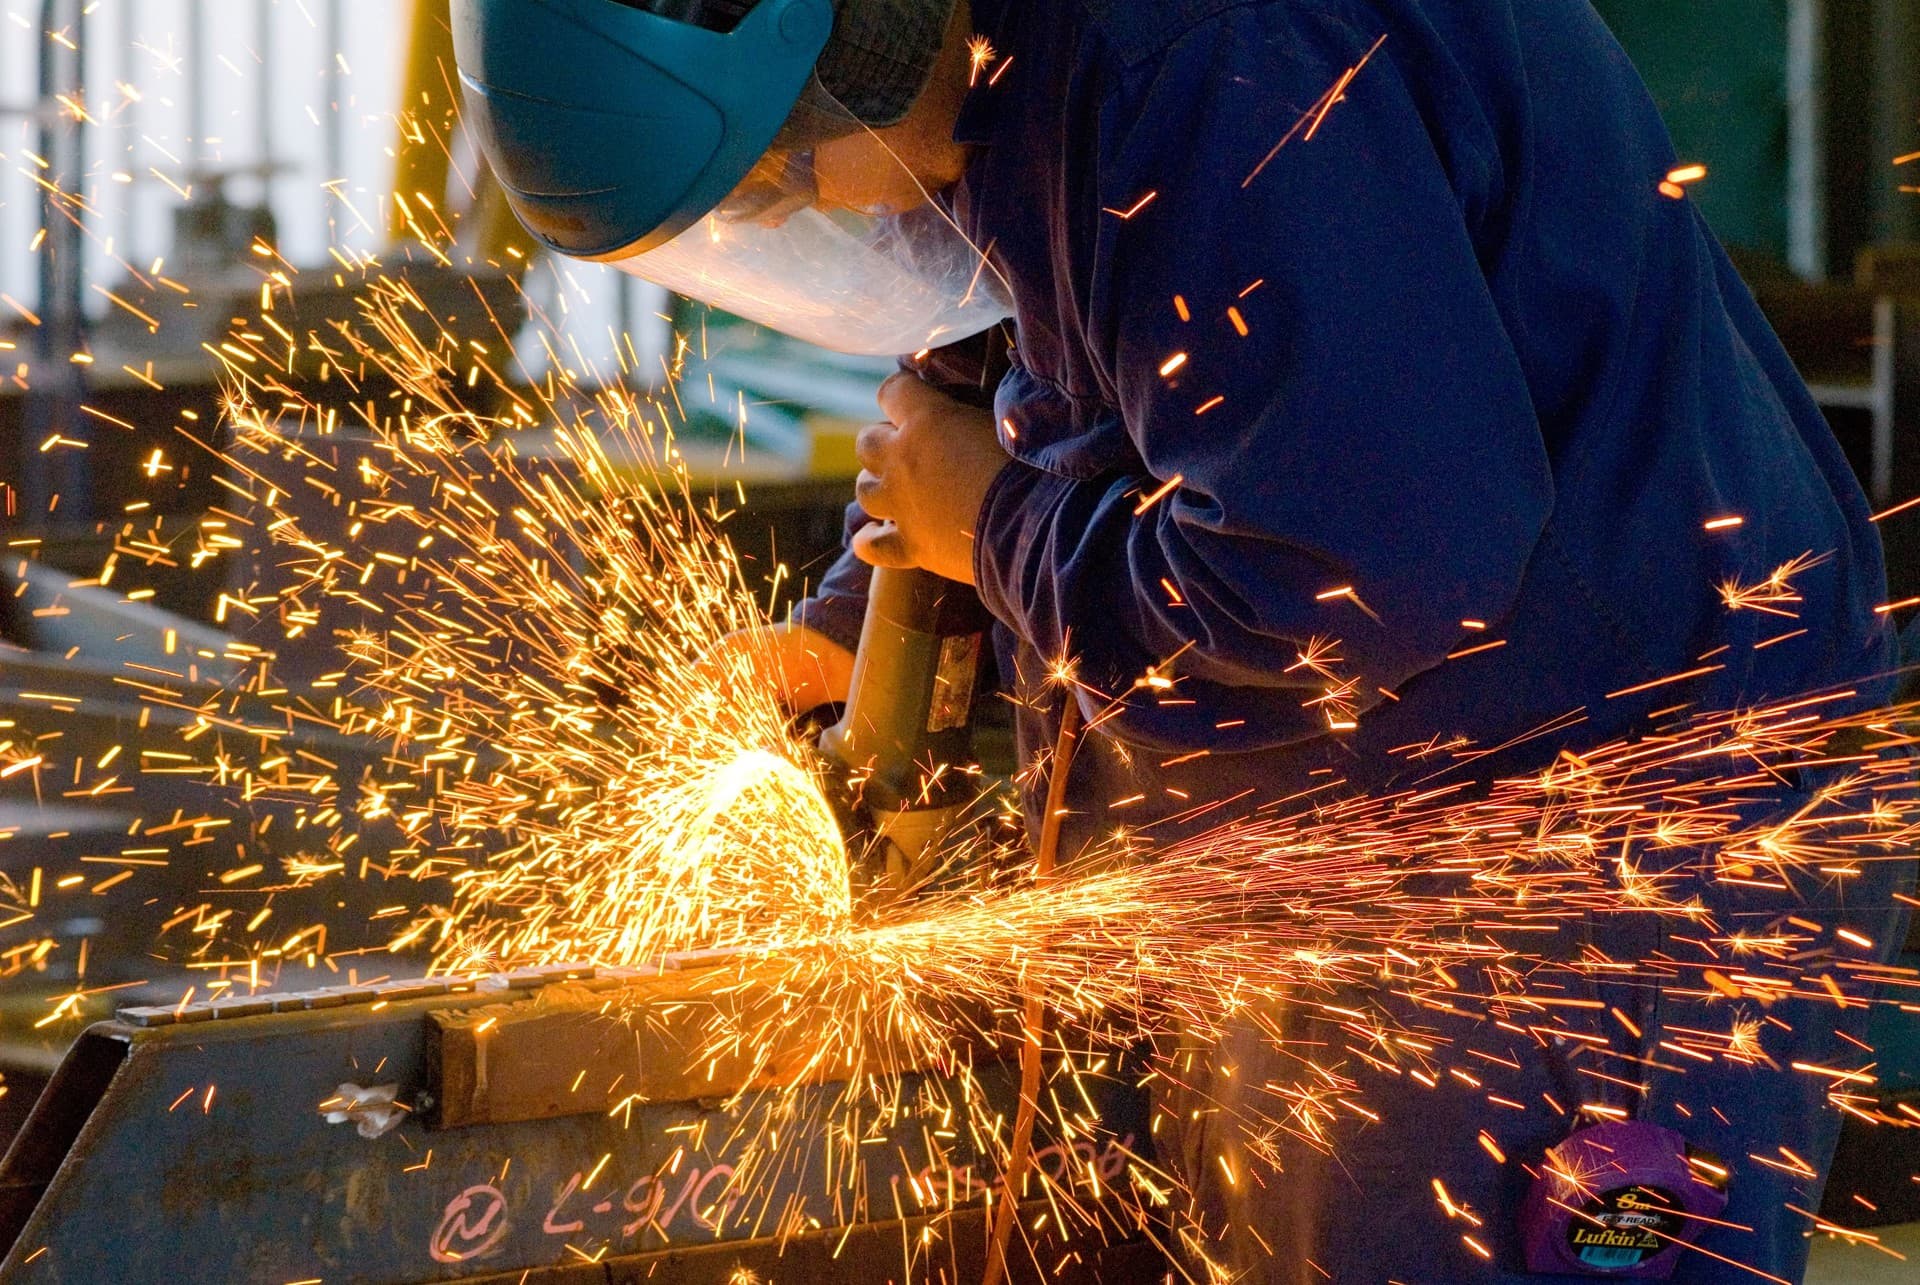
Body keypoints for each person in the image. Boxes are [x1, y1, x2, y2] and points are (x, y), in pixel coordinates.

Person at [453, 1, 1912, 1279]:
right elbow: (1044, 363)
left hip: (1586, 883)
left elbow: (1371, 565)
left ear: (844, 35)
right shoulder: (1028, 71)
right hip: (1398, 829)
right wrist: (853, 615)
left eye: (777, 182)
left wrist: (999, 532)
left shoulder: (1207, 62)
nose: (786, 222)